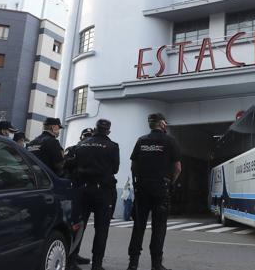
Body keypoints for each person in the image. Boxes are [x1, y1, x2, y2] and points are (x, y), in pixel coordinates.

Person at [127, 113, 181, 270]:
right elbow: (177, 168)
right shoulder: (170, 141)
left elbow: (133, 166)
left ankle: (133, 264)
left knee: (139, 226)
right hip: (161, 188)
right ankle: (156, 265)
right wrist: (170, 182)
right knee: (159, 227)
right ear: (163, 124)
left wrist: (140, 181)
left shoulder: (141, 140)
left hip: (142, 188)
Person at [74, 119, 119, 270]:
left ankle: (72, 259)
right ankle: (97, 264)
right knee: (101, 229)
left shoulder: (81, 144)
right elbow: (115, 169)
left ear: (95, 129)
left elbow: (75, 164)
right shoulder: (112, 146)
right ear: (108, 131)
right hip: (103, 191)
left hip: (82, 189)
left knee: (79, 226)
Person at [65, 127, 96, 268]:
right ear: (81, 137)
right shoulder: (72, 149)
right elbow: (65, 166)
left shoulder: (93, 150)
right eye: (86, 136)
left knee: (81, 226)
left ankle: (75, 254)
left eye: (90, 136)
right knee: (73, 226)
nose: (88, 138)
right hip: (74, 190)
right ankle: (70, 259)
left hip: (86, 190)